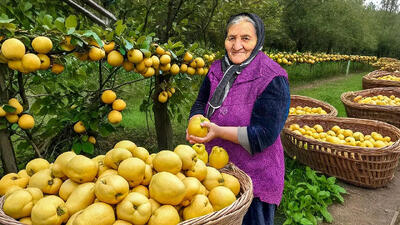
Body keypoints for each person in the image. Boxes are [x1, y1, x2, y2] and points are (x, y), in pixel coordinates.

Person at [186, 12, 290, 225]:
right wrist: (194, 120)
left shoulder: (273, 77)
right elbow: (200, 103)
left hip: (254, 177)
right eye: (231, 38)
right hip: (214, 171)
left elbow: (263, 135)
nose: (237, 45)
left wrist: (218, 131)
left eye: (245, 38)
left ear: (258, 40)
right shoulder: (216, 68)